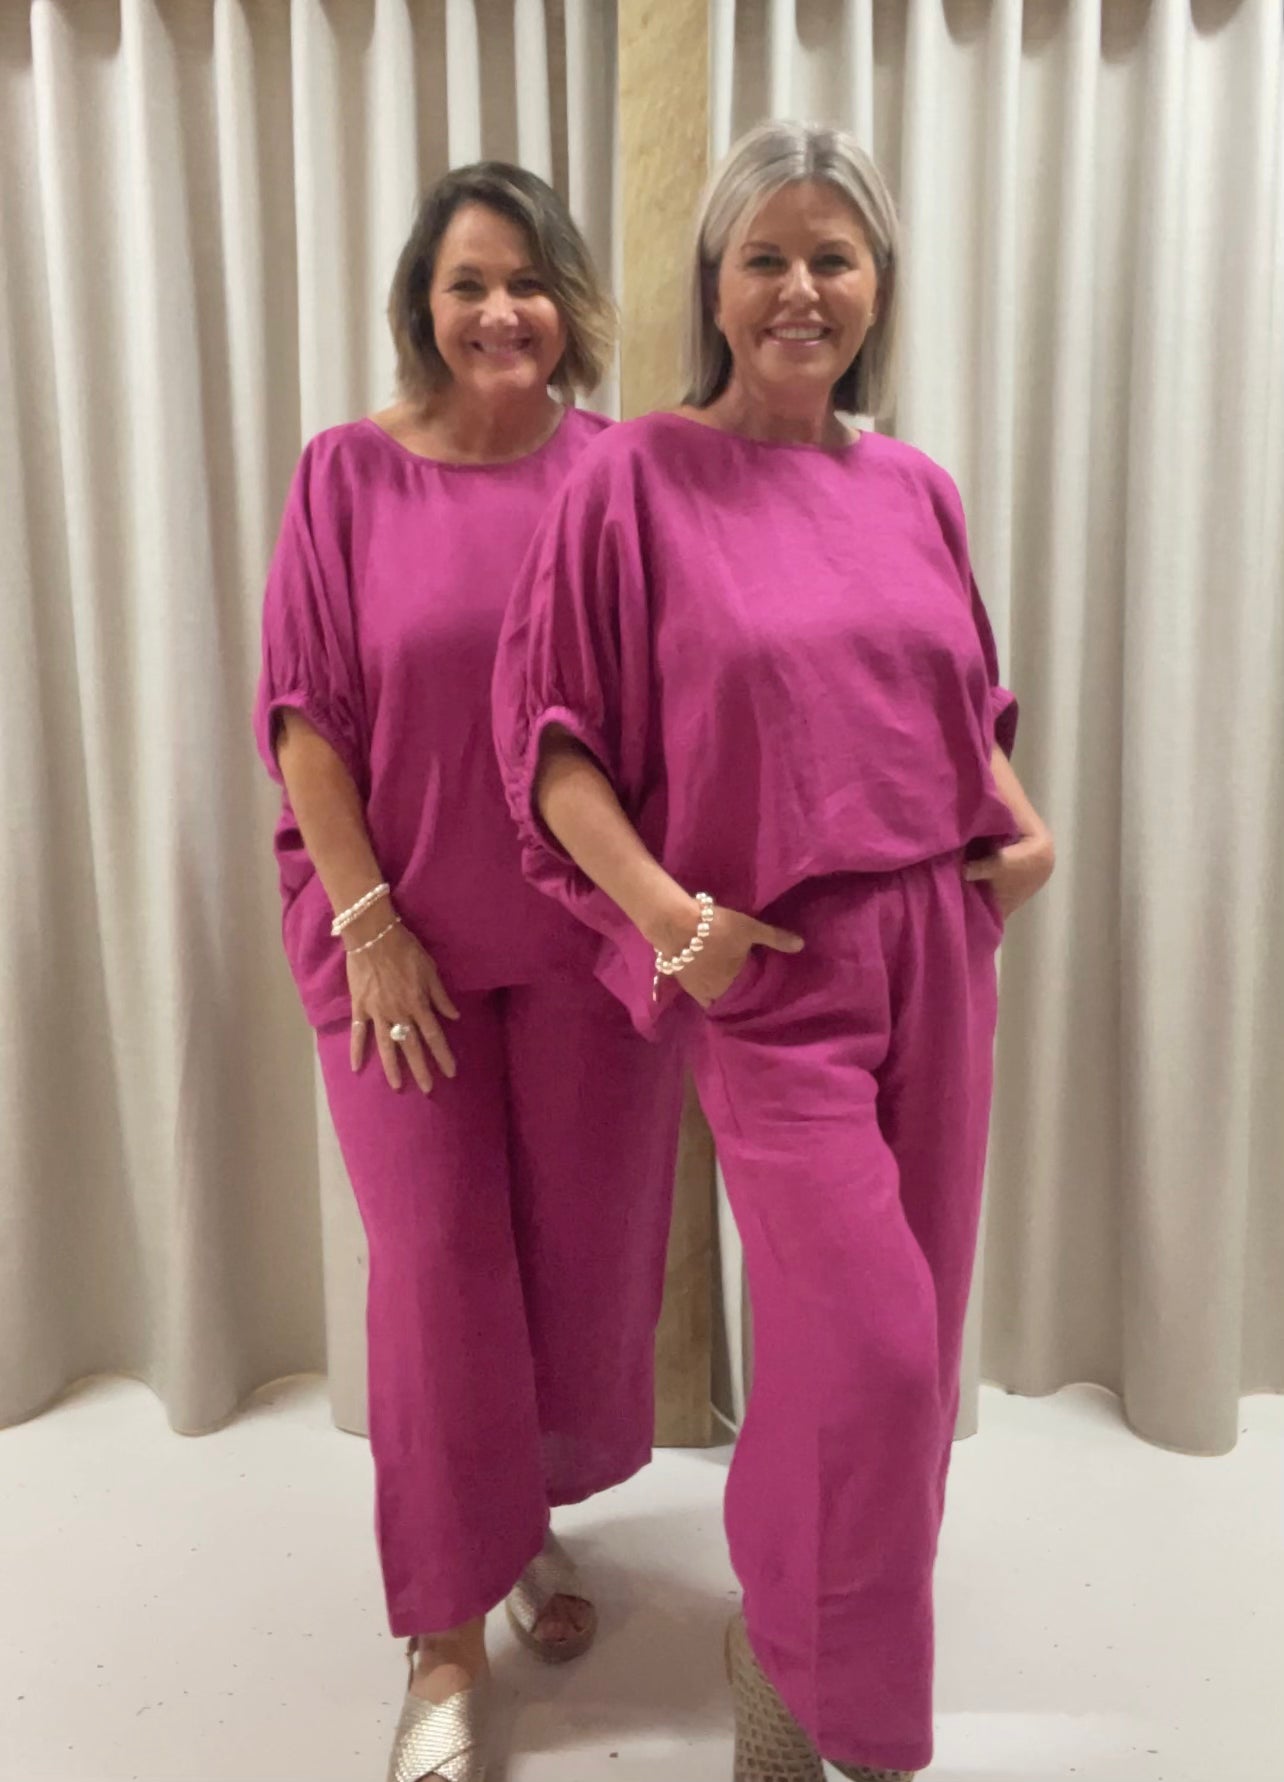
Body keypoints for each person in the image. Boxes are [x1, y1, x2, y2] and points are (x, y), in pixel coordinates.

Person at [492, 121, 1055, 1781]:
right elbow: (554, 744)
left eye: (833, 255)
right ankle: (821, 1694)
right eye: (766, 257)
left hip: (939, 952)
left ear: (878, 284)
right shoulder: (637, 478)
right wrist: (674, 924)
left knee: (902, 1359)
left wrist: (1025, 835)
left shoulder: (914, 487)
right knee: (870, 1351)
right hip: (772, 973)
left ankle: (796, 1647)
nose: (800, 288)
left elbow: (962, 703)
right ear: (715, 285)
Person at [254, 162, 684, 1782]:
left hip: (582, 944)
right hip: (397, 940)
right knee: (437, 1268)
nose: (501, 311)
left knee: (573, 1259)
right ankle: (442, 1637)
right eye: (467, 284)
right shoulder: (348, 473)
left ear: (569, 303)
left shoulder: (621, 474)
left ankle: (517, 1530)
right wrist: (367, 923)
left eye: (527, 282)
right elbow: (305, 718)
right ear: (421, 308)